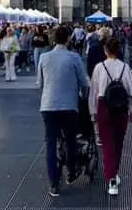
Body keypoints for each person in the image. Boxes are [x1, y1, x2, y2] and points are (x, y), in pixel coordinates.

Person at [37, 26, 90, 197]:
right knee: (71, 140)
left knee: (50, 144)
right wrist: (83, 98)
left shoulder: (44, 57)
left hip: (48, 106)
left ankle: (53, 184)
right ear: (68, 39)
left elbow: (40, 83)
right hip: (69, 106)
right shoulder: (74, 57)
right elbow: (84, 83)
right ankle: (71, 172)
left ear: (53, 39)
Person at [89, 37, 132, 196]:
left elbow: (94, 92)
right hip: (122, 107)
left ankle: (111, 178)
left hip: (104, 106)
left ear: (105, 50)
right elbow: (131, 91)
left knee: (107, 144)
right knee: (118, 143)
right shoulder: (125, 67)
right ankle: (114, 173)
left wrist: (93, 112)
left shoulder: (99, 67)